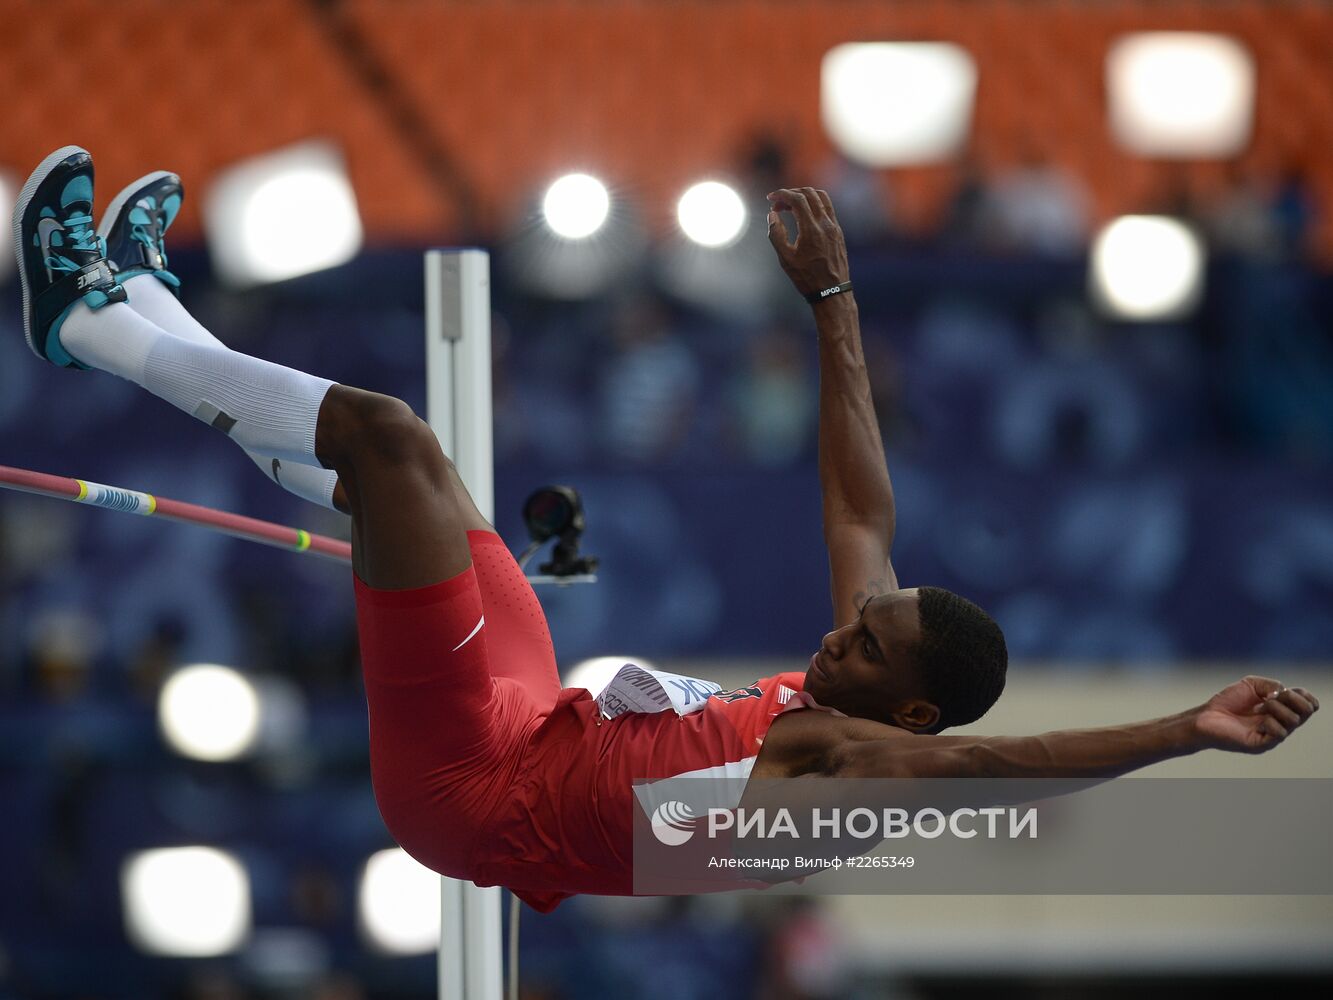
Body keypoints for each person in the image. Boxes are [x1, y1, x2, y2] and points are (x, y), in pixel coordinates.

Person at [14, 148, 1319, 911]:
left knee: (394, 439)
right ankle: (144, 312)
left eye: (867, 646)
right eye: (866, 617)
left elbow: (1011, 767)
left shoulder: (850, 786)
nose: (841, 625)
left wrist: (1180, 732)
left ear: (910, 718)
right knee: (417, 497)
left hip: (473, 797)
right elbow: (862, 502)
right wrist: (834, 303)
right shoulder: (848, 682)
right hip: (528, 726)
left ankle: (86, 324)